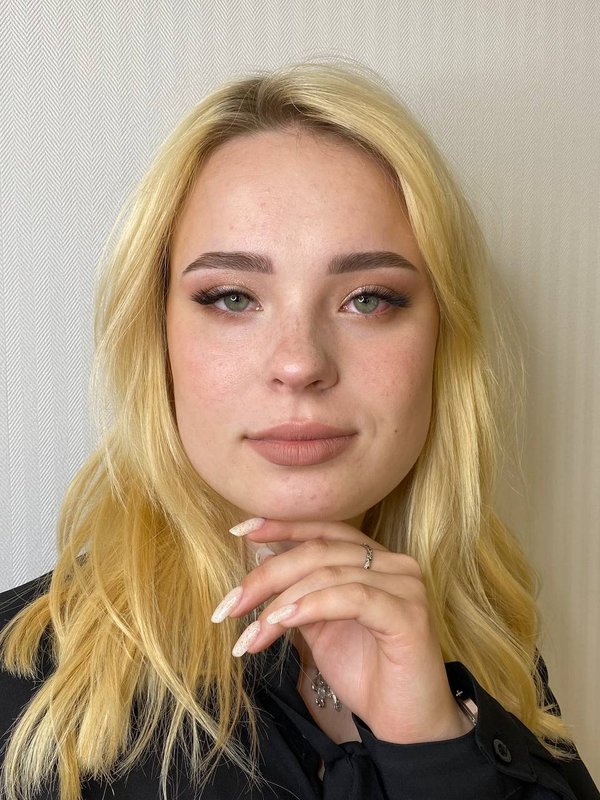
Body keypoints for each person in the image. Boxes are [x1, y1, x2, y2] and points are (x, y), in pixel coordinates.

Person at [0, 60, 597, 800]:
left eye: (369, 298)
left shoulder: (490, 649)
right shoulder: (21, 688)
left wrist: (436, 749)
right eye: (231, 297)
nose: (299, 363)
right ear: (157, 339)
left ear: (443, 343)